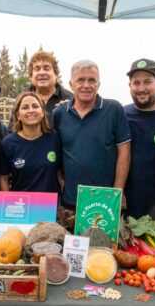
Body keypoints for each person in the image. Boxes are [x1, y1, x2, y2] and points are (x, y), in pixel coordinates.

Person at [52, 60, 131, 208]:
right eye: (80, 80)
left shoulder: (114, 109)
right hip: (70, 200)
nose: (86, 85)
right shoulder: (59, 113)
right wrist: (61, 181)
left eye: (92, 80)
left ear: (98, 84)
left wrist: (118, 191)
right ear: (71, 84)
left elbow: (124, 152)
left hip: (106, 200)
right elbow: (54, 152)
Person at [123, 58, 155, 219]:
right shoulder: (121, 115)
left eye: (147, 82)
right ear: (130, 85)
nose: (141, 88)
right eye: (136, 83)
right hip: (126, 205)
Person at [0, 92, 61, 193]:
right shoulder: (8, 143)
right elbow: (4, 178)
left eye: (35, 106)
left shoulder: (54, 138)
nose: (31, 110)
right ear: (18, 115)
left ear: (42, 113)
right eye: (25, 107)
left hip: (50, 206)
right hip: (21, 205)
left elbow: (60, 174)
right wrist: (8, 202)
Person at [10, 50, 73, 128]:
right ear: (31, 76)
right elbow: (13, 129)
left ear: (56, 74)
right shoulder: (21, 100)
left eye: (46, 68)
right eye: (37, 69)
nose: (42, 72)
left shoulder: (70, 99)